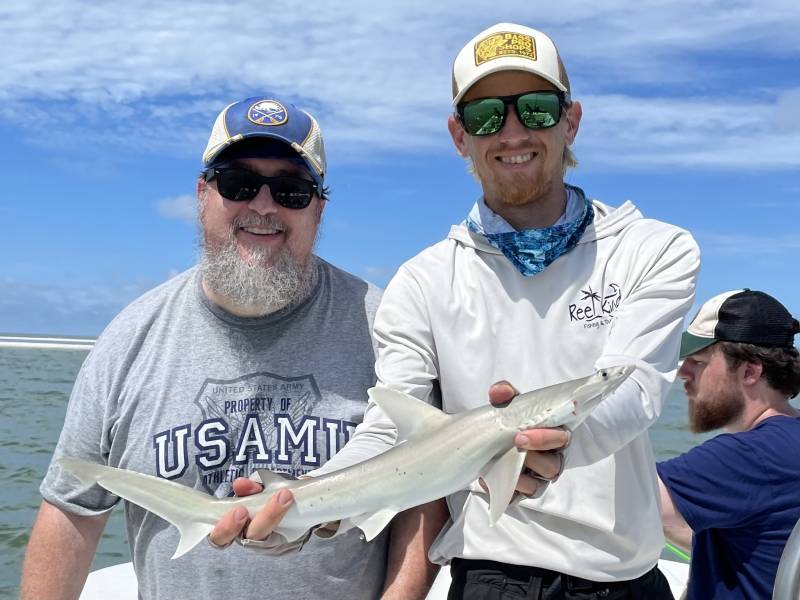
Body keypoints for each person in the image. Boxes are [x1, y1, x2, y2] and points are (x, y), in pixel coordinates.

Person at [229, 22, 700, 599]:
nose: (511, 131)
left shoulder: (654, 248)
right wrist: (300, 503)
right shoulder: (423, 281)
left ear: (570, 120)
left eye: (535, 108)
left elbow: (632, 391)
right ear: (459, 135)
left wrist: (543, 446)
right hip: (487, 578)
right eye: (484, 116)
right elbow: (390, 432)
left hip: (621, 580)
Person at [20, 95, 433, 600]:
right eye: (238, 184)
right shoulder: (126, 341)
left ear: (319, 209)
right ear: (202, 194)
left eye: (291, 190)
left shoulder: (386, 326)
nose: (263, 206)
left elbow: (421, 498)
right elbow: (72, 511)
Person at [658, 289, 800, 599]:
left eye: (698, 361)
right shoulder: (788, 443)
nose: (683, 372)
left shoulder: (750, 456)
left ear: (750, 371)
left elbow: (625, 501)